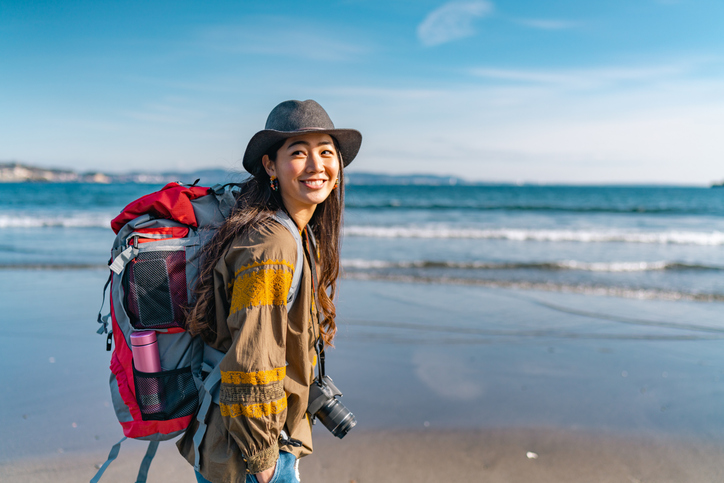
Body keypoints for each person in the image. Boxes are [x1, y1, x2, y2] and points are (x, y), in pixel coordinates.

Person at [177, 100, 362, 483]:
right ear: (270, 166)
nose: (316, 166)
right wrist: (264, 463)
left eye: (326, 152)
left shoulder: (295, 232)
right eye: (298, 153)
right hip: (251, 456)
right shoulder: (272, 244)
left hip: (261, 441)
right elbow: (252, 361)